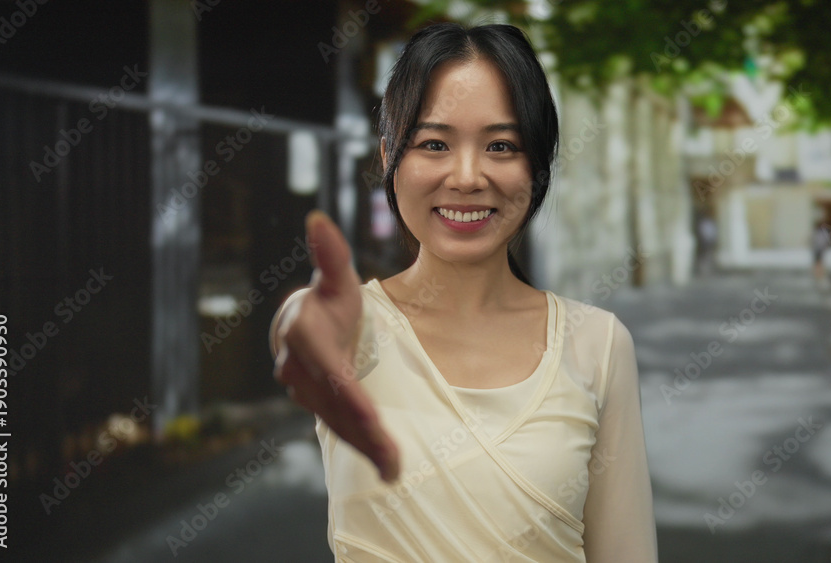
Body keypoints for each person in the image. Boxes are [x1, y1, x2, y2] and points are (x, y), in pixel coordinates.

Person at [269, 22, 657, 562]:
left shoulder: (597, 343)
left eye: (501, 145)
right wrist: (297, 323)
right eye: (434, 143)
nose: (468, 176)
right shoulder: (354, 328)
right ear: (388, 156)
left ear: (537, 165)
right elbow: (300, 324)